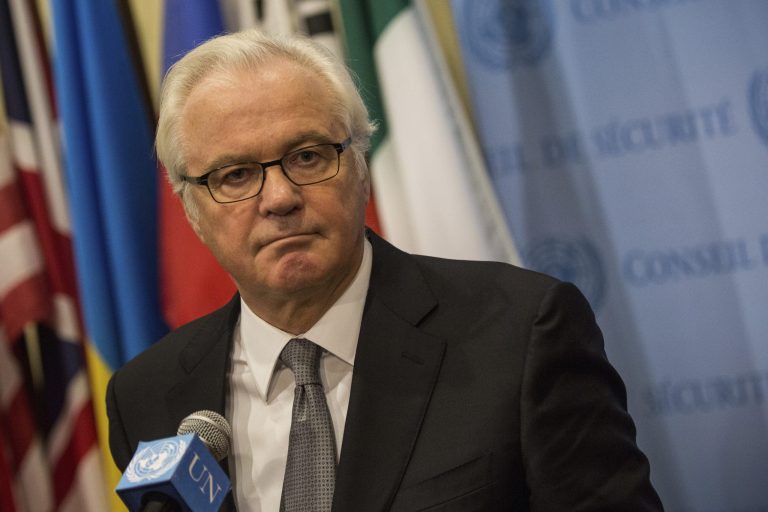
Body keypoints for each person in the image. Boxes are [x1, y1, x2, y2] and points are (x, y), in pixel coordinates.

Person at [106, 29, 663, 511]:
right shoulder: (146, 397)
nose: (279, 198)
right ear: (192, 211)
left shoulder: (520, 333)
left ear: (360, 167)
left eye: (307, 156)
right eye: (234, 175)